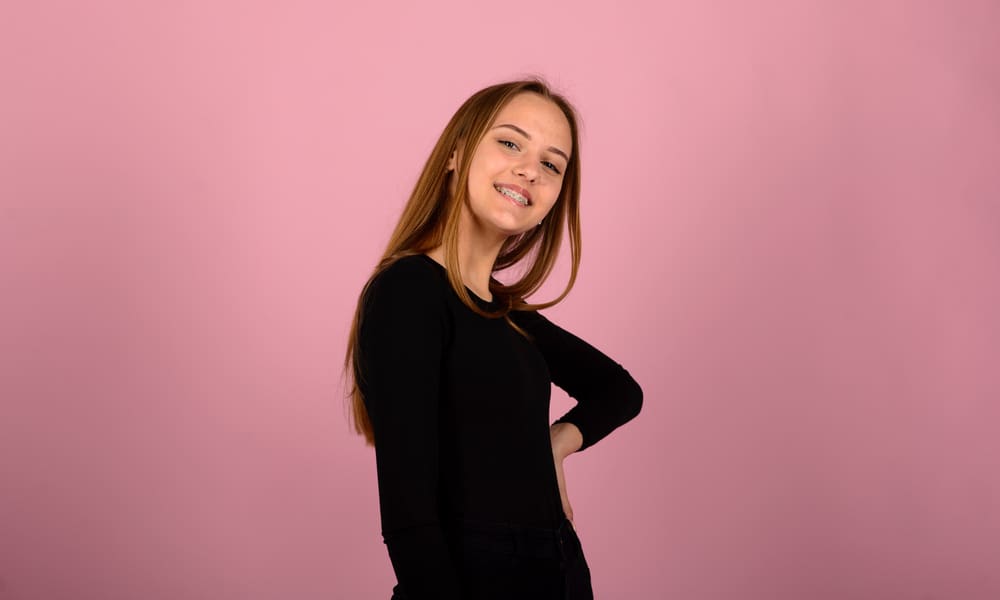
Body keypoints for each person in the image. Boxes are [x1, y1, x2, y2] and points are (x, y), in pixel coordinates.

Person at [344, 78, 643, 599]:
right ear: (457, 153)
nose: (530, 168)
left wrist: (554, 446)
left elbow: (619, 391)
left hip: (559, 573)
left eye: (552, 164)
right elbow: (410, 520)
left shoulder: (510, 317)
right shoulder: (409, 291)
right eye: (510, 142)